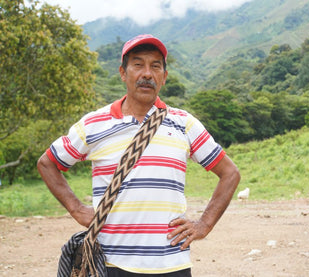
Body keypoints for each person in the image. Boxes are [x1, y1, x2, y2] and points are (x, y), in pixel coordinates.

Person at [37, 34, 240, 277]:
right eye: (138, 64)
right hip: (111, 264)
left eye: (155, 66)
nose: (147, 73)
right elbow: (48, 163)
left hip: (171, 264)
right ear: (123, 73)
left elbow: (230, 173)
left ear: (164, 77)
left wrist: (204, 225)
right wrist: (76, 208)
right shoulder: (94, 124)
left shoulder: (184, 124)